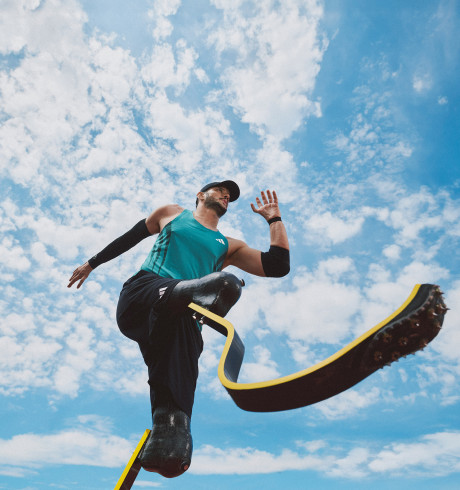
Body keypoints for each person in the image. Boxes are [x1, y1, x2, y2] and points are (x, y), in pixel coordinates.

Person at [68, 180, 290, 477]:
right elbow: (129, 238)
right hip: (144, 295)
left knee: (179, 372)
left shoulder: (229, 245)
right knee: (222, 284)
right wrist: (92, 263)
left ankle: (167, 439)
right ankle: (208, 293)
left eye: (230, 196)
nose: (226, 196)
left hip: (179, 321)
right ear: (201, 195)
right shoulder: (172, 214)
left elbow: (277, 266)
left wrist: (274, 219)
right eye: (221, 191)